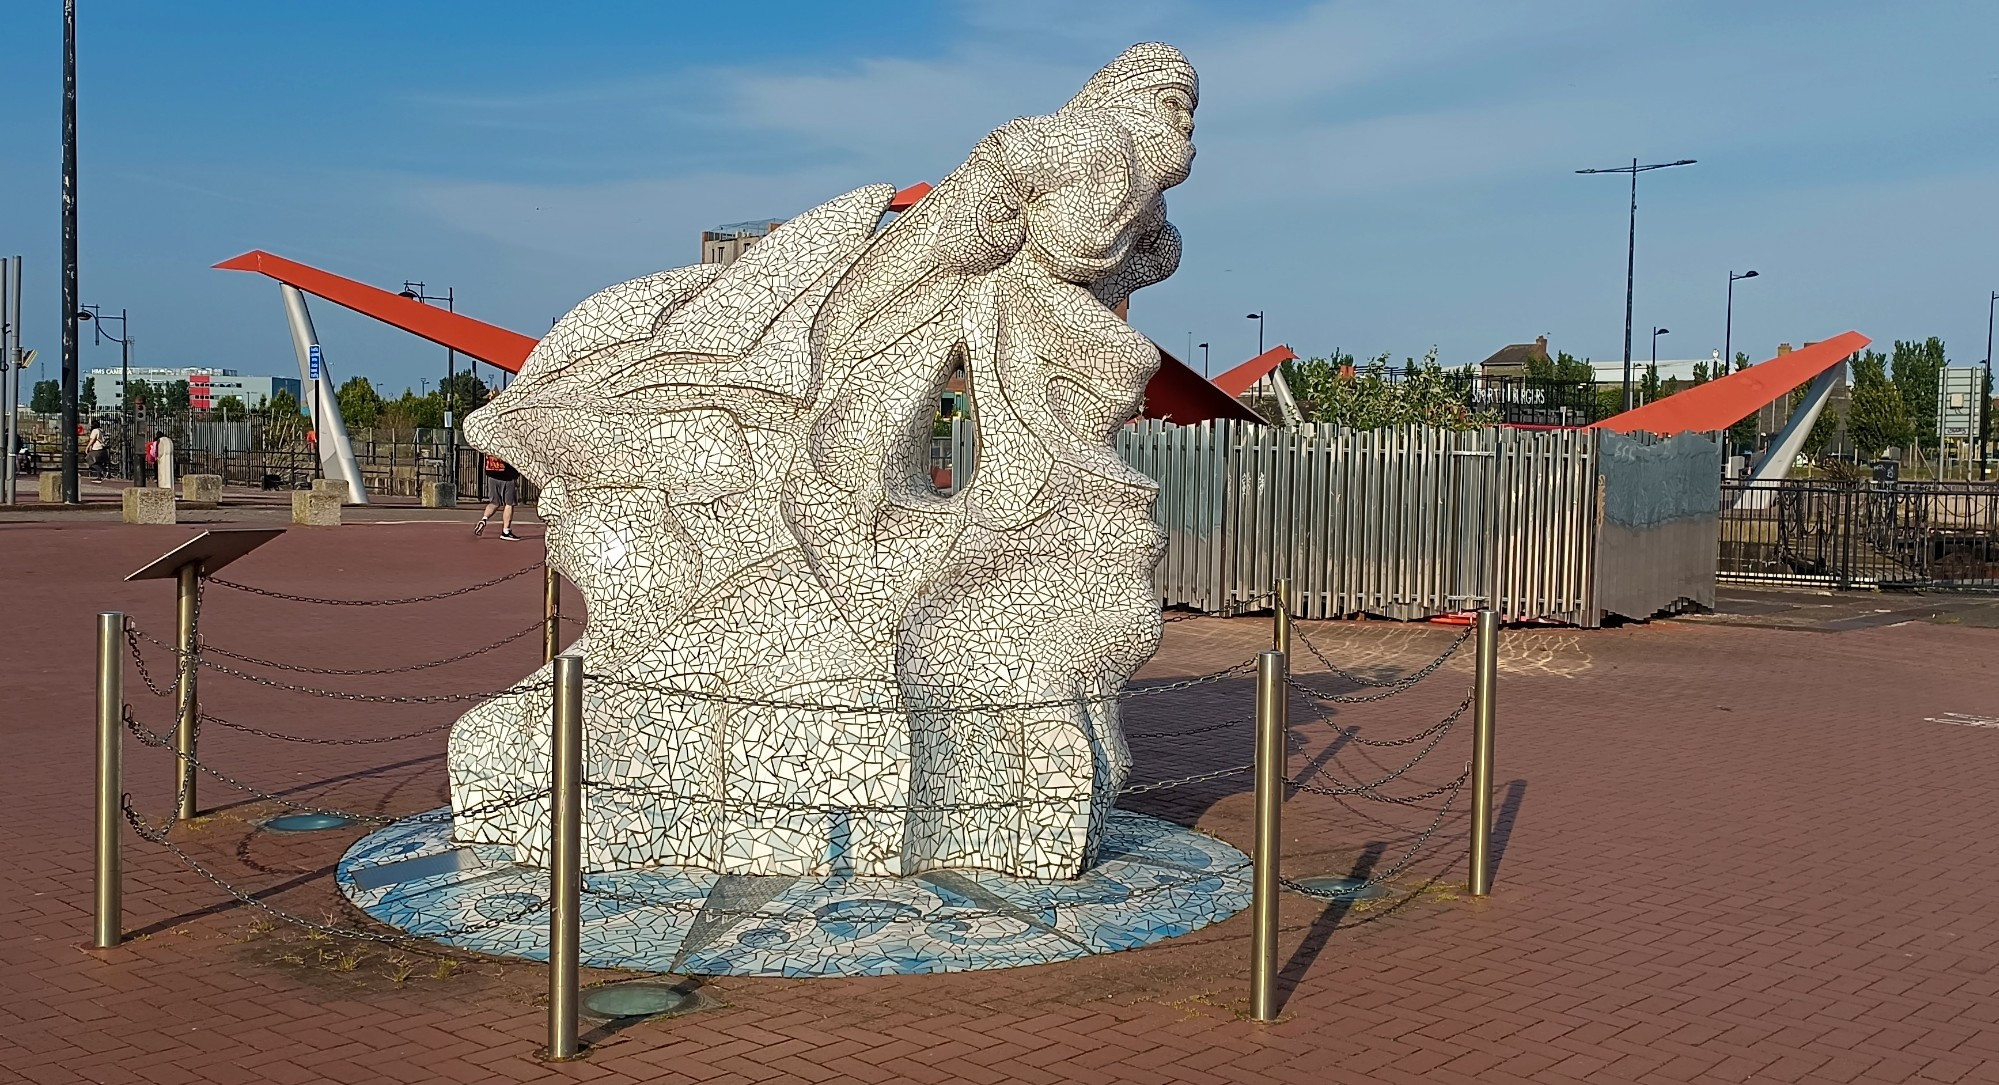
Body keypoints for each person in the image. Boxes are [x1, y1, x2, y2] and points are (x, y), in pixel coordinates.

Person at [474, 453, 522, 540]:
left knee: (494, 502)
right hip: (508, 476)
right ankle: (506, 531)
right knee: (509, 503)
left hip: (493, 474)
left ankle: (484, 519)